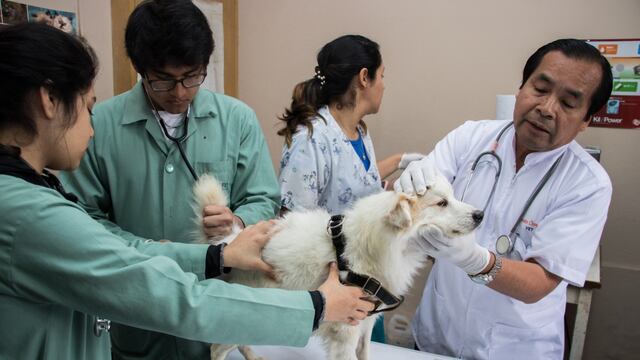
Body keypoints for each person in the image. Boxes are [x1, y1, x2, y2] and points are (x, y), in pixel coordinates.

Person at [0, 22, 374, 360]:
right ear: (49, 100)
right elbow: (164, 291)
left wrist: (220, 253)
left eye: (192, 78)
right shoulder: (27, 213)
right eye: (86, 108)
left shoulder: (27, 193)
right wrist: (318, 307)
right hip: (143, 329)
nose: (92, 128)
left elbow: (129, 254)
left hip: (209, 312)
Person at [57, 1, 289, 358]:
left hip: (216, 312)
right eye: (163, 79)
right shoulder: (99, 124)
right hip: (136, 313)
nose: (180, 92)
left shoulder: (237, 120)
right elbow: (83, 219)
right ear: (139, 68)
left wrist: (238, 222)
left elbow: (263, 198)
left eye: (192, 76)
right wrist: (148, 252)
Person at [395, 39, 613, 359]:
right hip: (436, 336)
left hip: (514, 349)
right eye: (540, 88)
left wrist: (476, 260)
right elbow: (414, 201)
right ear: (521, 87)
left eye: (568, 103)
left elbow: (540, 281)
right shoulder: (471, 138)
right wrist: (405, 182)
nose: (546, 108)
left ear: (586, 120)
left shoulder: (587, 185)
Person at [277, 34, 423, 342]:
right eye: (382, 76)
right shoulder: (311, 137)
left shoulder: (358, 132)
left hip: (366, 280)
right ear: (364, 78)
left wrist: (399, 162)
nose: (385, 85)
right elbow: (292, 224)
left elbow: (353, 180)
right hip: (328, 289)